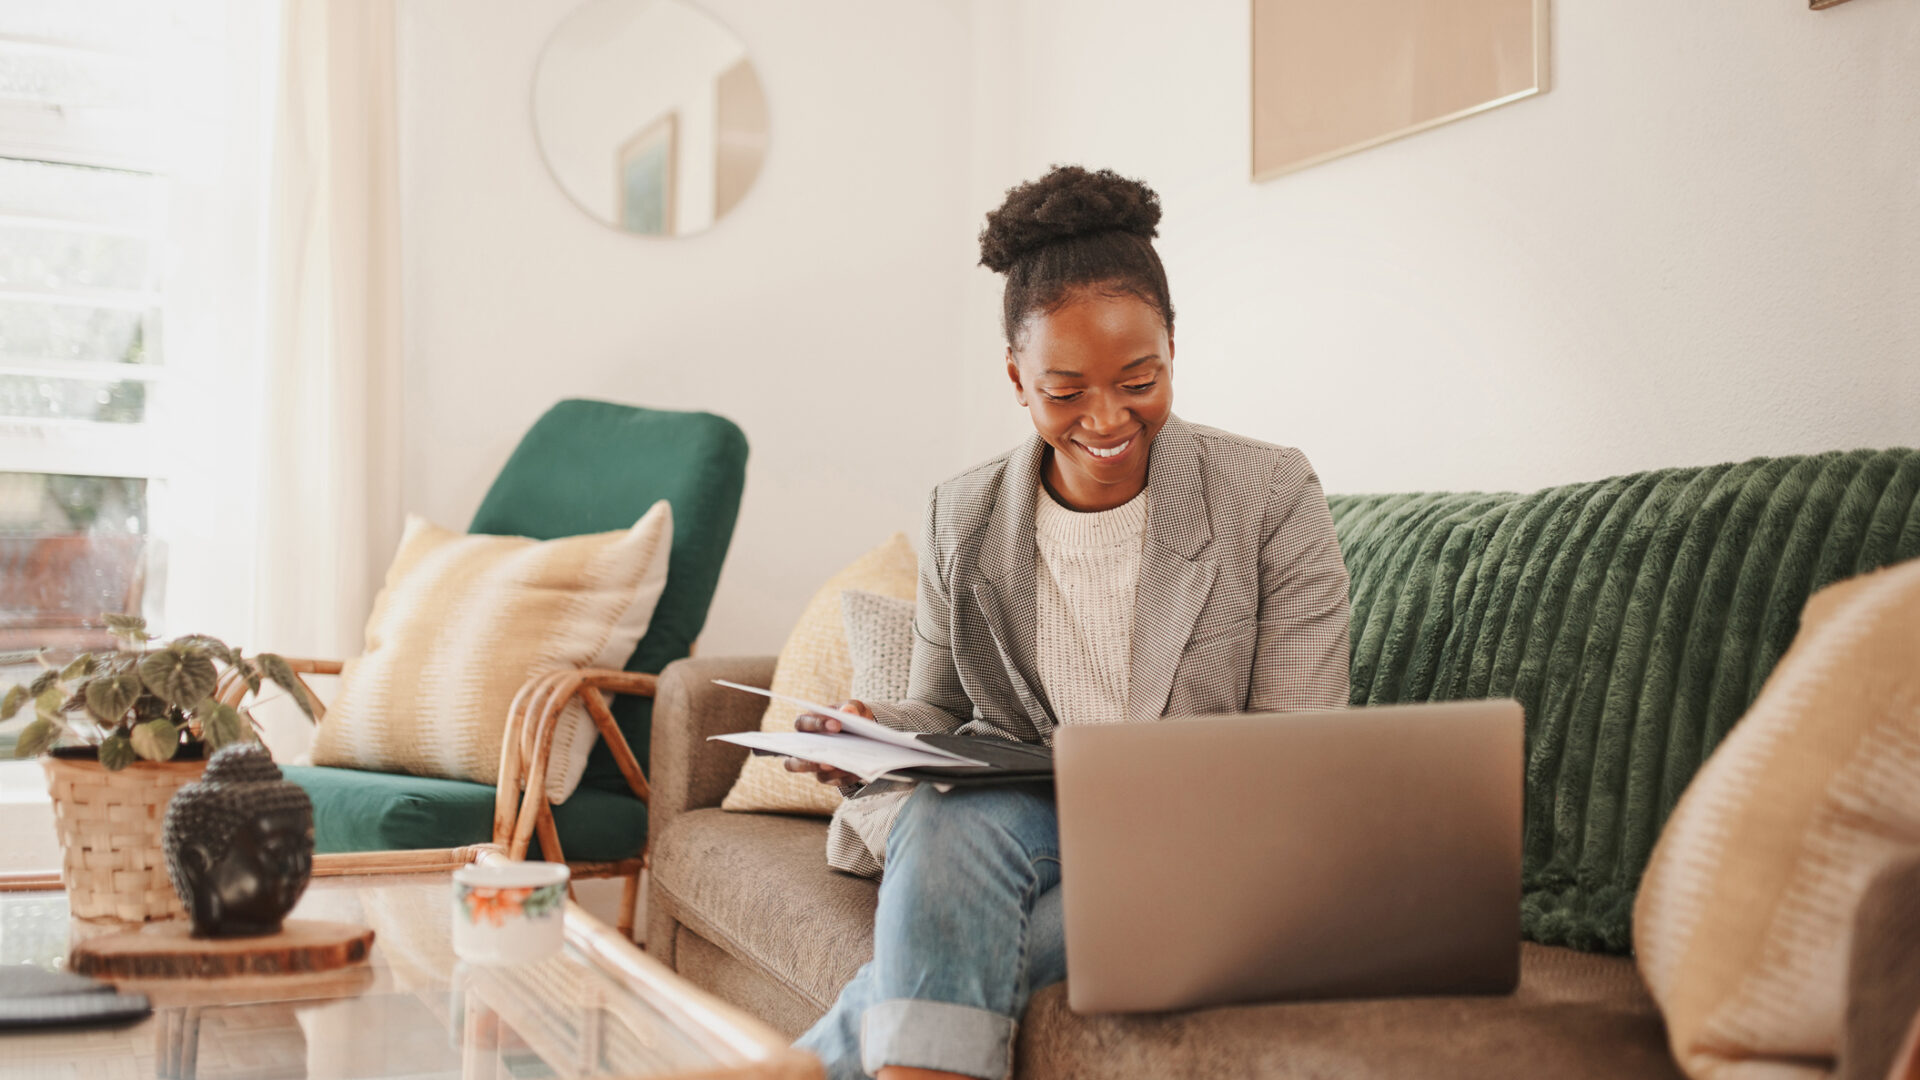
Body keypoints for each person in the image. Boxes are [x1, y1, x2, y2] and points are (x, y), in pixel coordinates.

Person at [785, 165, 1353, 1080]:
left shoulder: (1268, 494)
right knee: (940, 820)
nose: (1107, 418)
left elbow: (1296, 750)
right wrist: (868, 737)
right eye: (1065, 391)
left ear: (1173, 345)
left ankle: (807, 1068)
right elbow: (937, 712)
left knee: (982, 928)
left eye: (1140, 379)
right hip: (1033, 820)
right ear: (1017, 378)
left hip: (1205, 840)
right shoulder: (961, 515)